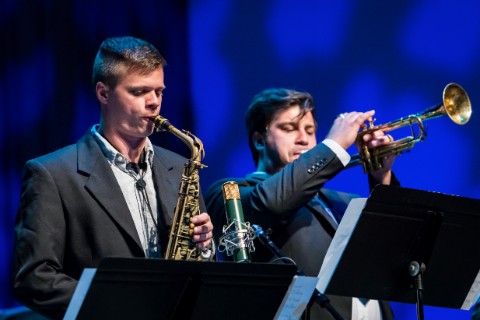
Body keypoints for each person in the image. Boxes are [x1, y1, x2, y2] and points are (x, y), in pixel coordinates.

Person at [12, 36, 213, 319]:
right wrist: (118, 304)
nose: (154, 103)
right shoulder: (52, 174)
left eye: (159, 91)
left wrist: (204, 248)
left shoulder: (181, 167)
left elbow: (197, 267)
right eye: (140, 91)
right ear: (103, 93)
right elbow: (34, 278)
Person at [205, 88, 399, 320]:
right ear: (259, 140)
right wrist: (334, 145)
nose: (304, 139)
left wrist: (381, 176)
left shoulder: (343, 201)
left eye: (310, 130)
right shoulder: (231, 192)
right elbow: (272, 203)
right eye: (289, 128)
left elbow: (392, 245)